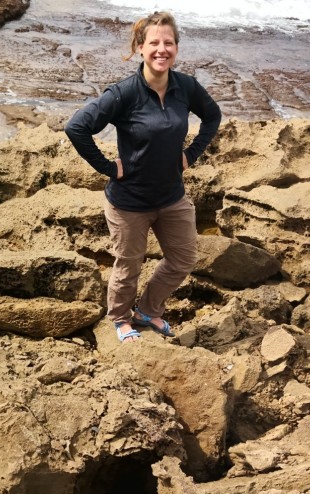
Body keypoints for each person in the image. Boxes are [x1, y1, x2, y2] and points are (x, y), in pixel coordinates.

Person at [65, 11, 222, 344]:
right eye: (154, 43)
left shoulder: (186, 87)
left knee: (183, 259)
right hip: (129, 203)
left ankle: (148, 310)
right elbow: (76, 127)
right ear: (139, 47)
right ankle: (120, 318)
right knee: (128, 268)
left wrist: (191, 154)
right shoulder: (124, 93)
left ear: (176, 48)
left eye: (168, 43)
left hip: (171, 197)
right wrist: (109, 167)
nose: (161, 49)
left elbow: (213, 116)